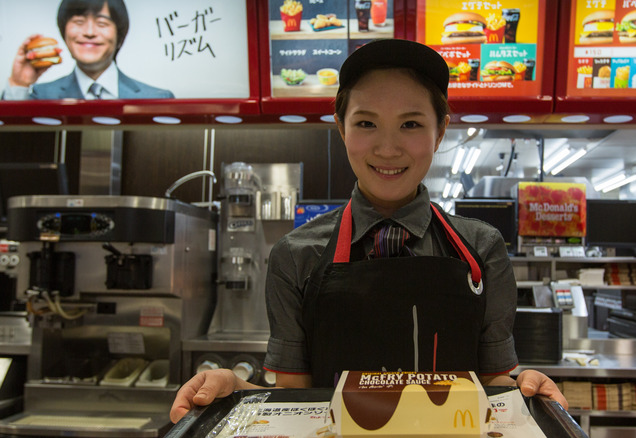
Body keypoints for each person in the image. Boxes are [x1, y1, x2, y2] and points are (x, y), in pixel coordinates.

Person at [169, 39, 567, 424]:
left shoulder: (481, 250)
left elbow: (493, 383)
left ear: (440, 130)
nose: (388, 148)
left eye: (410, 123)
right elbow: (297, 397)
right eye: (366, 123)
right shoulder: (295, 255)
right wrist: (235, 387)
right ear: (341, 128)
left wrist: (526, 390)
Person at [3, 0, 174, 100]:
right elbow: (12, 147)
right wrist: (19, 84)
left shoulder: (157, 98)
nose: (89, 33)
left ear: (119, 36)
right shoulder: (40, 97)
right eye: (78, 22)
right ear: (64, 32)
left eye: (102, 23)